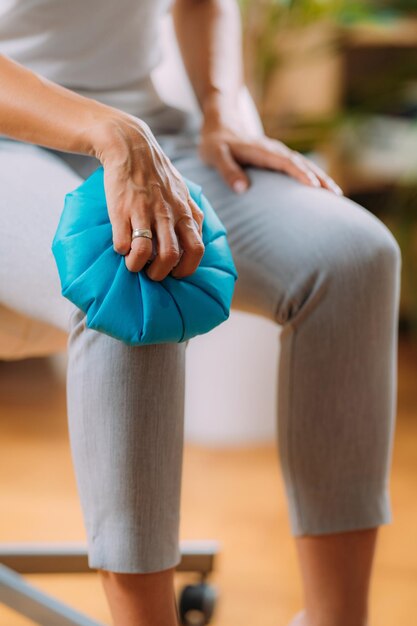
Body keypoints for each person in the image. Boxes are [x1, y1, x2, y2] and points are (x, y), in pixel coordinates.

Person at [0, 1, 401, 625]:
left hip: (151, 136)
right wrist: (110, 131)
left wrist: (223, 109)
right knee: (135, 275)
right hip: (14, 146)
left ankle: (335, 616)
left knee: (352, 258)